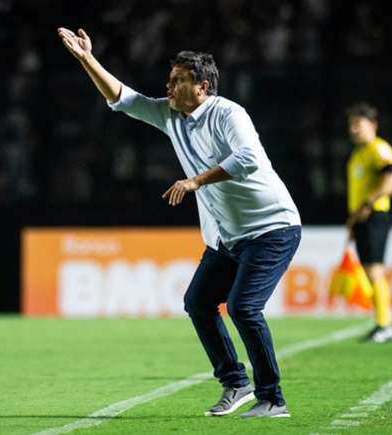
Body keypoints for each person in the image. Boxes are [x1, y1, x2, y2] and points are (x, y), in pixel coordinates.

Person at [58, 27, 301, 418]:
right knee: (199, 303)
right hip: (228, 237)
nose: (168, 86)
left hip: (271, 227)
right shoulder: (170, 115)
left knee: (243, 308)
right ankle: (235, 383)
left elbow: (248, 159)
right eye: (169, 80)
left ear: (202, 87)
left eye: (177, 80)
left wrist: (196, 180)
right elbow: (123, 98)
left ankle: (272, 397)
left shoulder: (228, 113)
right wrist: (87, 59)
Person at [345, 103, 392, 343]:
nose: (354, 129)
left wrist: (368, 205)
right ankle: (380, 322)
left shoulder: (379, 149)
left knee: (375, 270)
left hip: (376, 216)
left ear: (373, 126)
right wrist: (353, 219)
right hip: (362, 219)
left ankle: (385, 325)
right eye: (352, 125)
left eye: (359, 124)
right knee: (369, 271)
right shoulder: (358, 154)